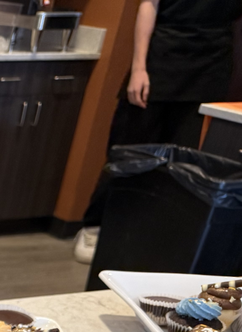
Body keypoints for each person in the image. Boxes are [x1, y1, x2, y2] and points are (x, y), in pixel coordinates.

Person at [74, 0, 242, 263]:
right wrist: (139, 69)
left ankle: (153, 236)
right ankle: (94, 226)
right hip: (160, 58)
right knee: (128, 151)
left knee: (184, 162)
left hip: (211, 66)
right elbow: (148, 5)